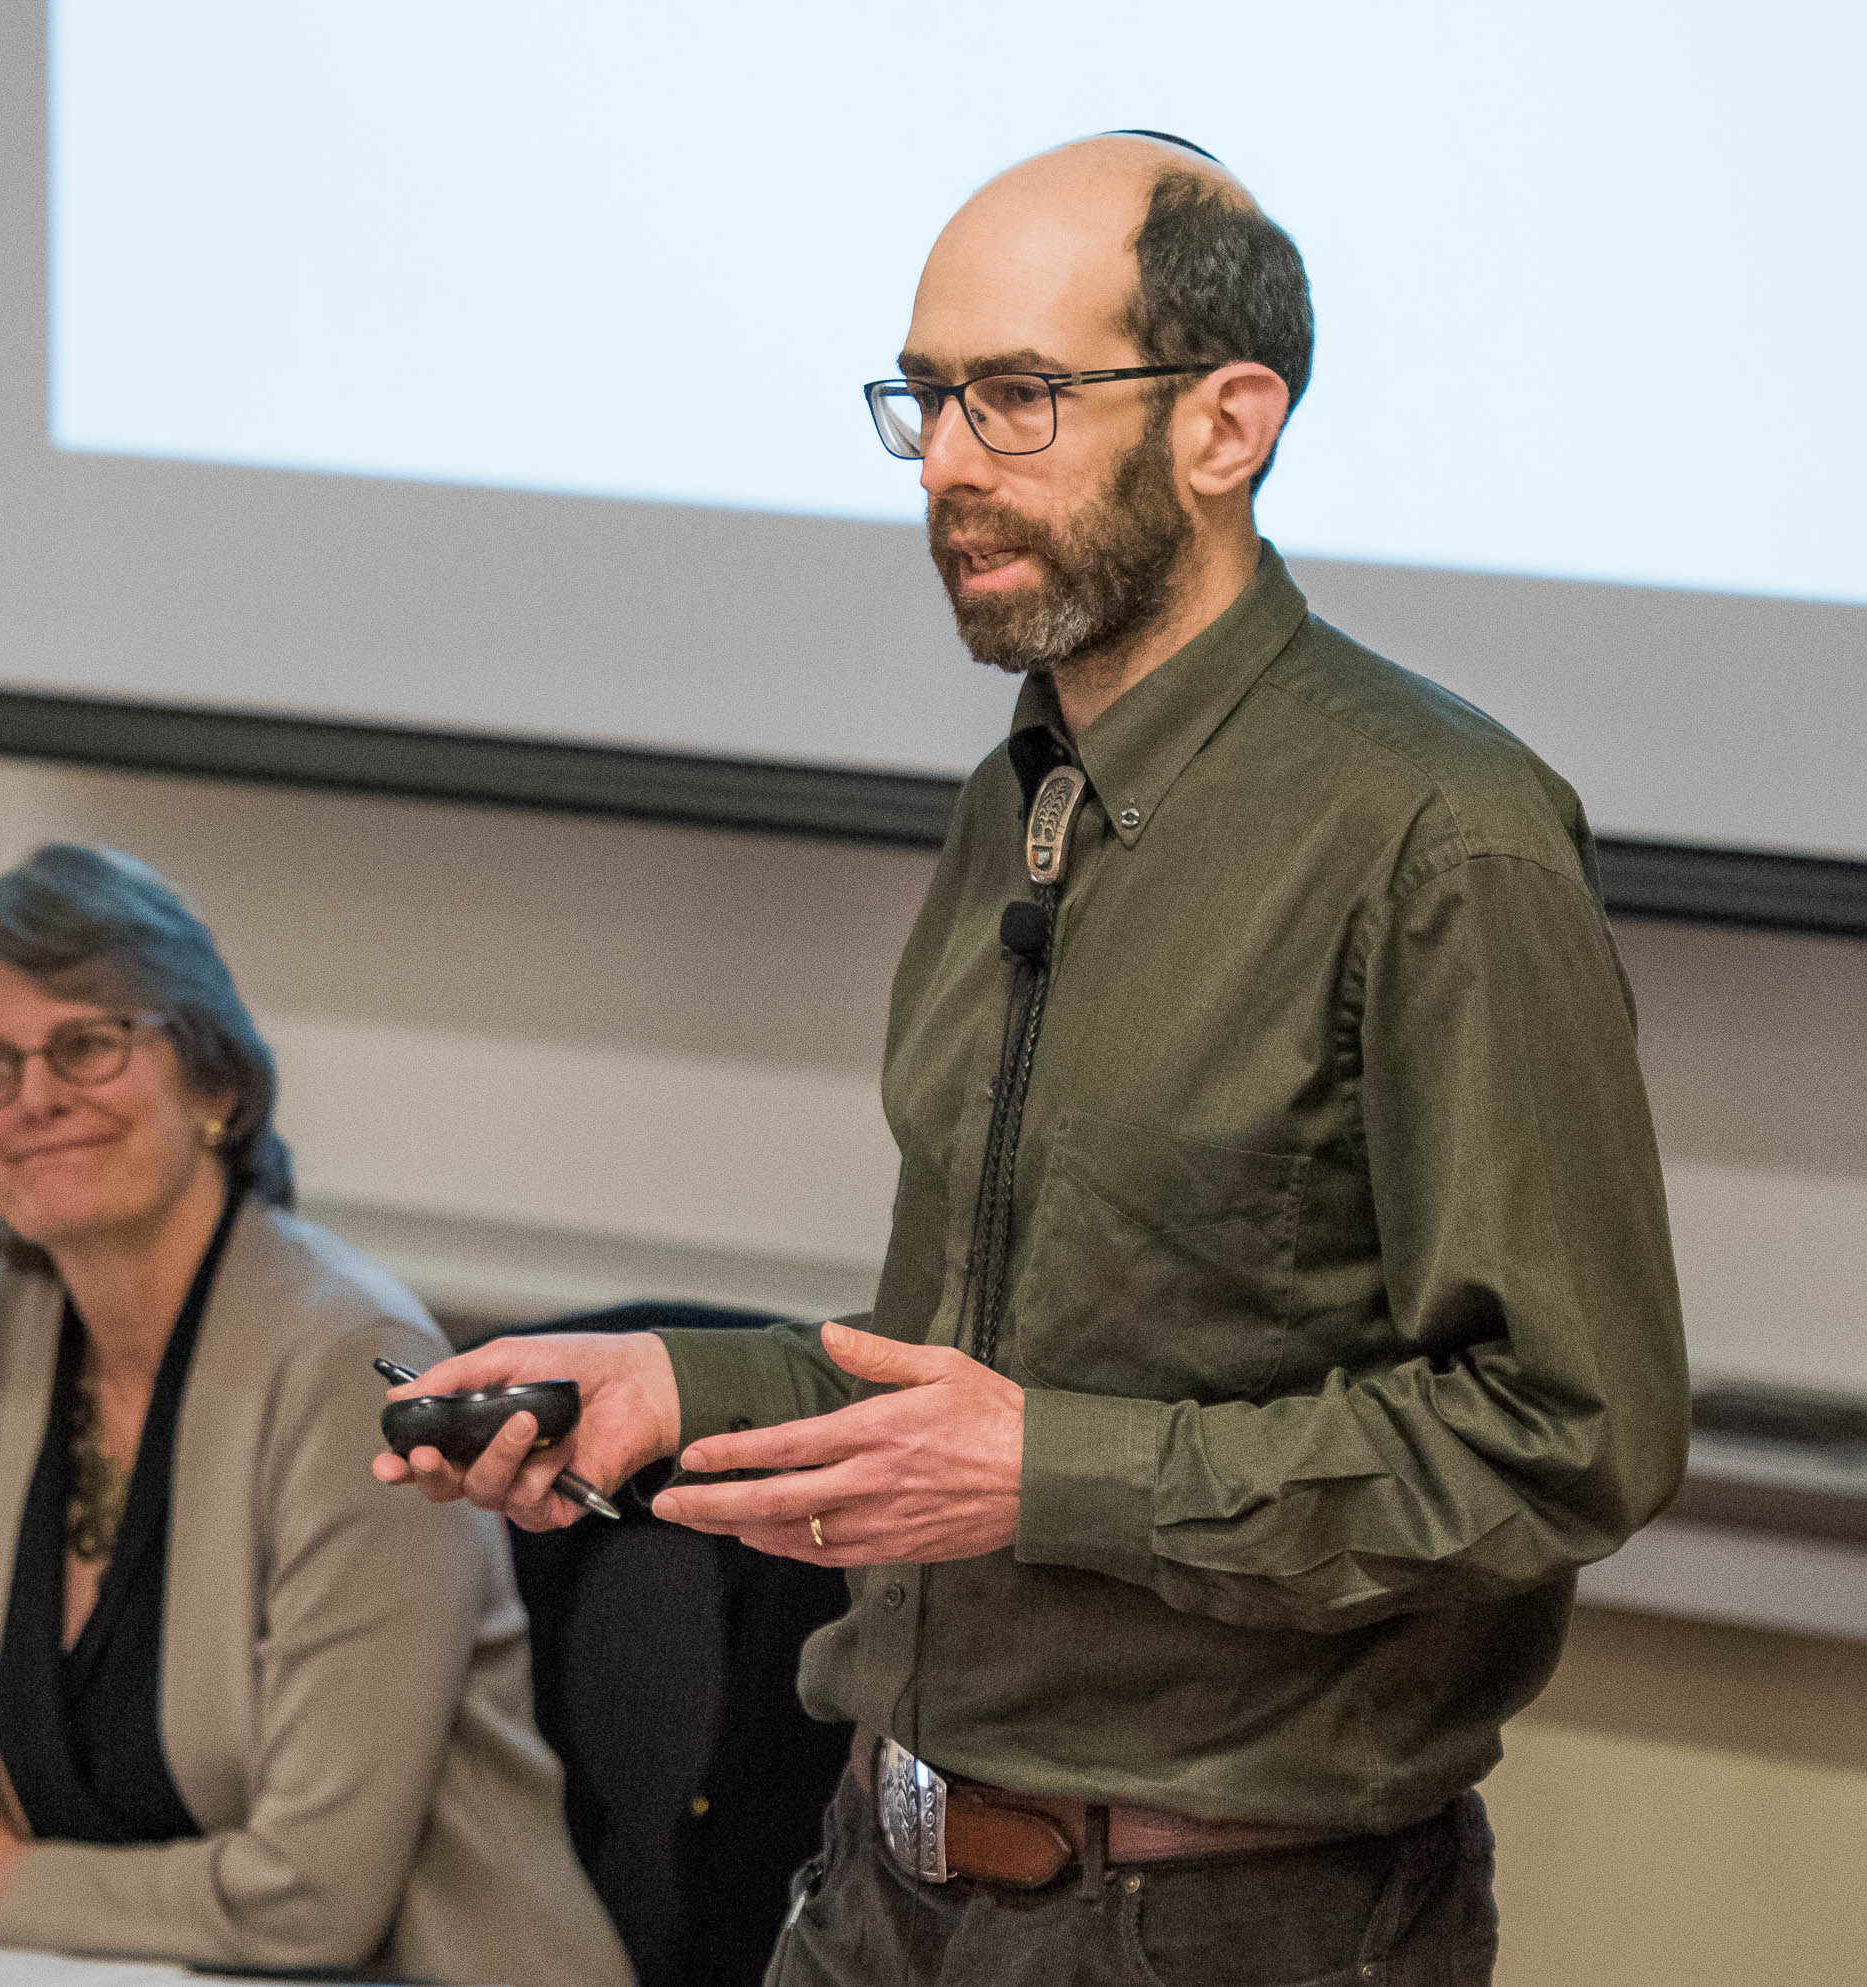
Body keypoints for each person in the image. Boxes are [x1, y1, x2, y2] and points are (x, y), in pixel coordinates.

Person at [380, 133, 1686, 1986]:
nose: (948, 469)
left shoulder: (1438, 837)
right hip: (882, 1876)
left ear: (1228, 425)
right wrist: (676, 1382)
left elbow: (1571, 1434)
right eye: (923, 401)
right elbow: (989, 1377)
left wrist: (1055, 1478)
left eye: (1018, 399)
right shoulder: (1026, 797)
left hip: (1229, 1921)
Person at [0, 844, 629, 1987]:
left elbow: (315, 1897)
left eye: (86, 1044)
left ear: (216, 1084)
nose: (34, 1095)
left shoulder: (350, 1366)